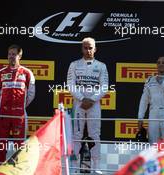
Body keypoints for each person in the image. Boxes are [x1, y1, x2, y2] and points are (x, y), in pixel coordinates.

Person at [67, 37, 109, 174]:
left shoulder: (101, 66)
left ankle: (96, 166)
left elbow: (104, 87)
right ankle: (74, 167)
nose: (88, 50)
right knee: (77, 134)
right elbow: (71, 85)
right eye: (85, 47)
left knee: (95, 134)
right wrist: (81, 99)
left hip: (94, 105)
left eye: (90, 47)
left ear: (95, 49)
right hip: (78, 104)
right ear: (82, 48)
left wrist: (91, 100)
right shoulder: (74, 64)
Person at [0, 44, 35, 163]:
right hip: (3, 114)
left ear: (19, 56)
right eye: (9, 54)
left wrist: (20, 106)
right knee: (1, 146)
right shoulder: (1, 73)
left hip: (19, 115)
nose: (11, 56)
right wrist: (5, 106)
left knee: (20, 146)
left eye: (14, 54)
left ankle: (18, 170)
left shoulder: (27, 73)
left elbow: (31, 94)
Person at [138, 56, 164, 144]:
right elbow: (144, 100)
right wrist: (140, 117)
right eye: (159, 62)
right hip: (153, 114)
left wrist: (162, 83)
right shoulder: (150, 80)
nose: (161, 64)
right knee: (152, 144)